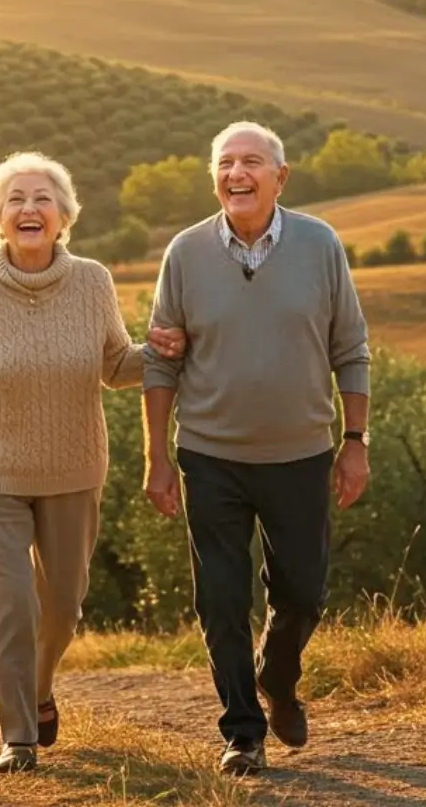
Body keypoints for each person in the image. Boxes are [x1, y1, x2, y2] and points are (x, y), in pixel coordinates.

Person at [0, 151, 186, 775]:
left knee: (63, 607)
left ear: (63, 216)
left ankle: (39, 690)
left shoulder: (92, 281)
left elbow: (115, 365)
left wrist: (167, 349)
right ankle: (18, 737)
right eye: (15, 200)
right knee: (11, 605)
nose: (29, 208)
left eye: (42, 198)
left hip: (73, 470)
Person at [141, 120, 372, 777]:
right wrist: (157, 457)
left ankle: (278, 676)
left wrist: (354, 443)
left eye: (251, 162)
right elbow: (161, 361)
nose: (236, 174)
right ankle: (243, 731)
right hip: (210, 455)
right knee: (219, 597)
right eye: (225, 163)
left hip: (301, 455)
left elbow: (351, 350)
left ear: (280, 176)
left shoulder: (319, 245)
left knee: (302, 593)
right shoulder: (184, 253)